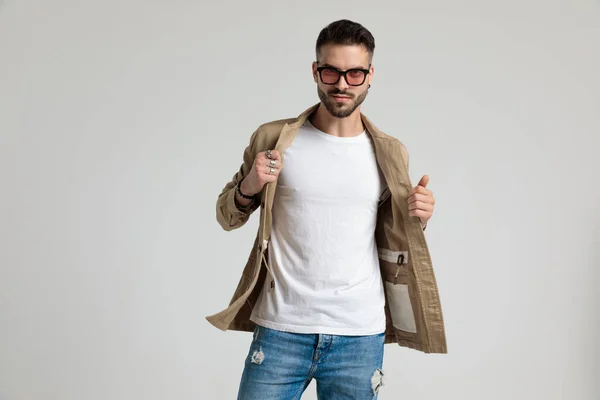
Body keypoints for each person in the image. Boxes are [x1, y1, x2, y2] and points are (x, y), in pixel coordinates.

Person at [206, 19, 447, 400]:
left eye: (354, 74)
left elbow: (393, 234)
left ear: (370, 76)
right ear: (315, 71)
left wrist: (420, 218)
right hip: (281, 328)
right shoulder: (274, 139)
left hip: (358, 335)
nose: (342, 84)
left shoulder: (391, 152)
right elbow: (225, 215)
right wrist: (250, 186)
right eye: (332, 71)